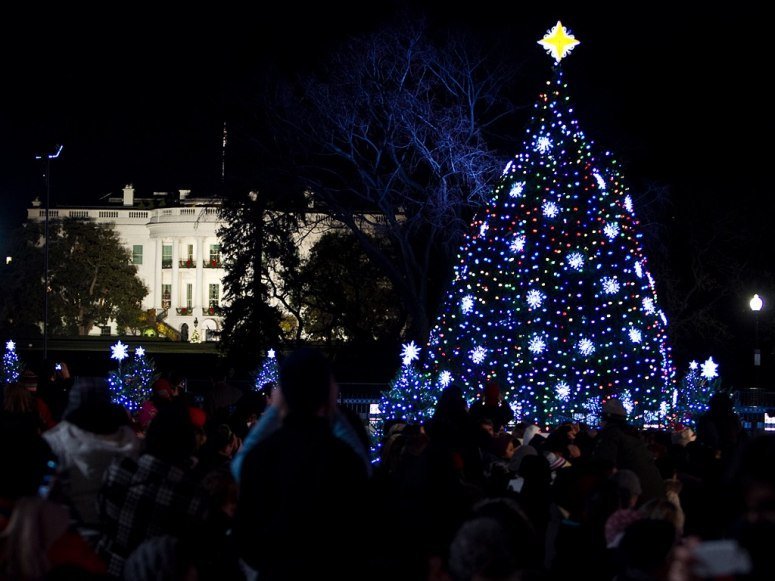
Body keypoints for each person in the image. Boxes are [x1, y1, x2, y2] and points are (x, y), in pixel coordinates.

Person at [234, 347, 369, 580]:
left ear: (282, 395)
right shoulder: (346, 460)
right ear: (329, 394)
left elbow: (246, 542)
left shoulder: (259, 457)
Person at [590, 398, 665, 504]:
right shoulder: (632, 435)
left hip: (636, 496)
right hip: (654, 494)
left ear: (605, 418)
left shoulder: (611, 435)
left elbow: (603, 465)